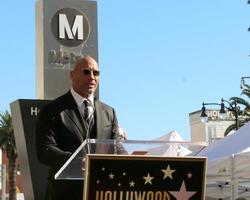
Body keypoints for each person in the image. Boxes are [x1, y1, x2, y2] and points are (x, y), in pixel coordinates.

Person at [35, 55, 124, 200]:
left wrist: (132, 157)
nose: (92, 77)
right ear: (72, 75)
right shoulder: (52, 110)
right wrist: (78, 161)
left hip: (100, 192)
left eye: (96, 73)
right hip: (64, 193)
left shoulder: (109, 112)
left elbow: (116, 149)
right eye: (86, 72)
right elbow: (45, 150)